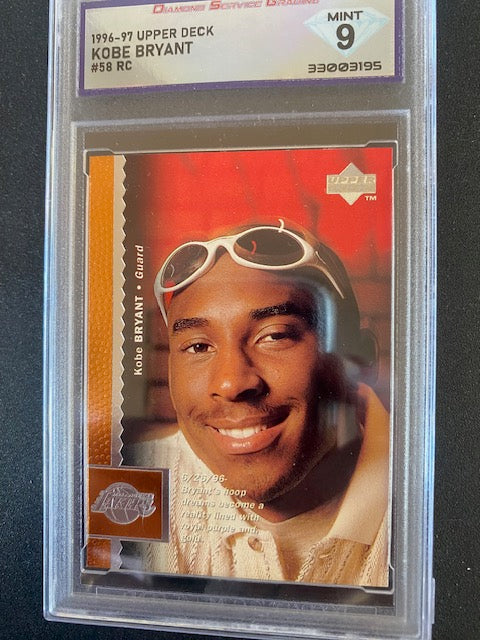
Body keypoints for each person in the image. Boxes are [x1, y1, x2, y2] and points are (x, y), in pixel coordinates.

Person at [127, 221, 390, 586]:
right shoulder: (134, 482)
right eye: (198, 346)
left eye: (275, 336)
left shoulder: (431, 502)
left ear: (360, 358)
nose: (231, 384)